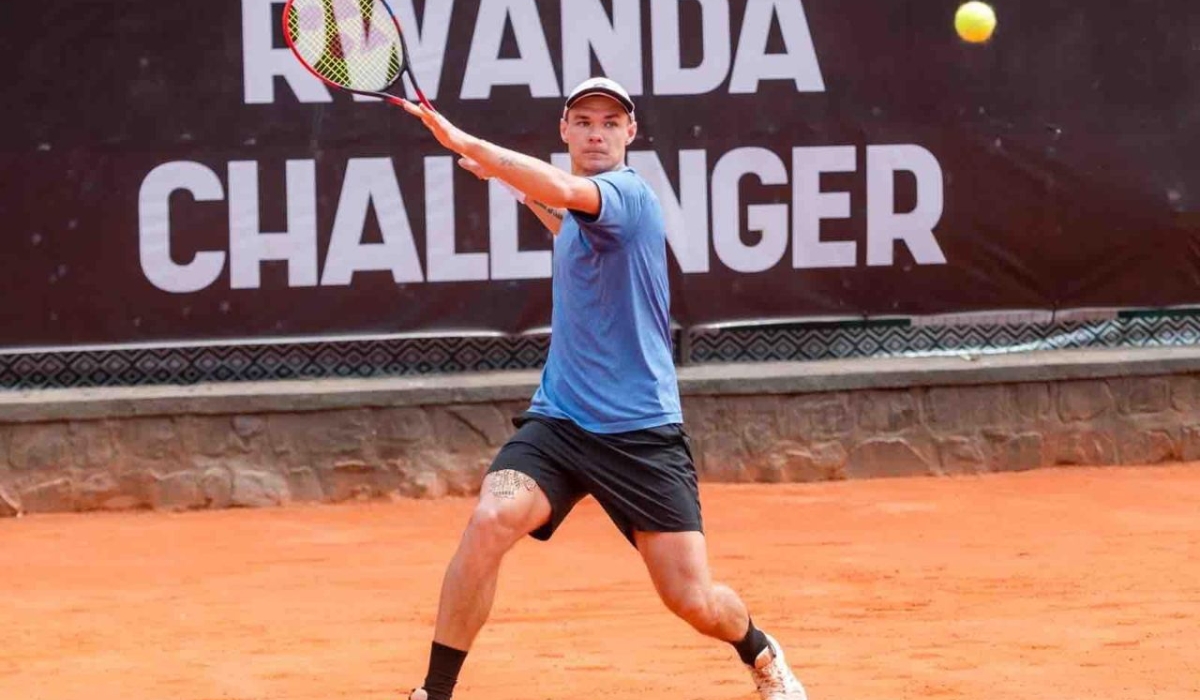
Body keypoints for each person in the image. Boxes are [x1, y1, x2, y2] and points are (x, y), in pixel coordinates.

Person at [398, 77, 808, 700]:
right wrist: (510, 183)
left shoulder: (628, 195)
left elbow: (565, 194)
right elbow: (563, 219)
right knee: (490, 519)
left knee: (692, 600)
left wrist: (470, 145)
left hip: (640, 435)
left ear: (630, 133)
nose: (597, 133)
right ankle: (434, 692)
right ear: (565, 130)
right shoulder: (581, 215)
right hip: (560, 424)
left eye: (610, 123)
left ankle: (759, 649)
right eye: (584, 122)